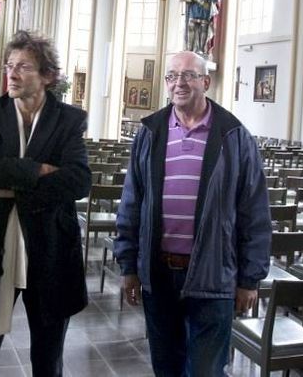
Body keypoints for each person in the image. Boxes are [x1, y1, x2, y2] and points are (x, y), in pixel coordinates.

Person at [115, 51, 271, 376]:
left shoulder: (235, 136)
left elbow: (254, 213)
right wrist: (129, 266)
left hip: (213, 275)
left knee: (206, 371)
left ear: (206, 82)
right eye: (172, 76)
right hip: (159, 275)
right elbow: (132, 204)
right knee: (166, 367)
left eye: (188, 75)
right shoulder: (150, 132)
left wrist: (250, 280)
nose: (179, 83)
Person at [0, 30, 91, 377]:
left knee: (48, 361)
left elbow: (78, 180)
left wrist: (10, 185)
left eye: (24, 67)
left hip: (50, 248)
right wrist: (36, 171)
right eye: (9, 66)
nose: (12, 74)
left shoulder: (69, 120)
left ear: (48, 75)